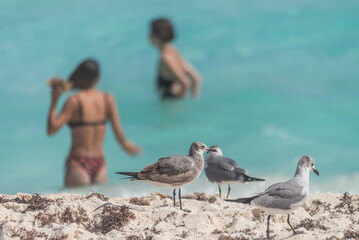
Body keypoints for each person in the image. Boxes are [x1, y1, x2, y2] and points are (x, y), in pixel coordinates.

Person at [47, 59, 141, 187]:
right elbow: (118, 133)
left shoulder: (74, 101)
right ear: (97, 79)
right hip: (100, 164)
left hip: (78, 163)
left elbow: (51, 130)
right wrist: (125, 144)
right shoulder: (107, 99)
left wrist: (54, 101)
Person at [150, 18, 201, 99]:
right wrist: (194, 98)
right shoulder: (174, 51)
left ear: (157, 36)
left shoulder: (165, 57)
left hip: (170, 102)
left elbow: (184, 83)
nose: (148, 36)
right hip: (175, 101)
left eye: (150, 33)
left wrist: (180, 106)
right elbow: (196, 77)